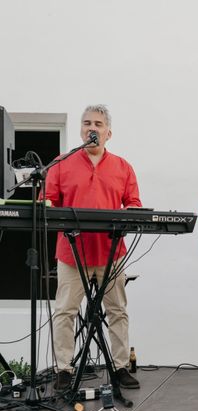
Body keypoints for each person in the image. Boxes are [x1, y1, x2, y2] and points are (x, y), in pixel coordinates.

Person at [45, 104, 142, 391]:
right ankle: (63, 368)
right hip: (72, 253)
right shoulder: (61, 163)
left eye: (98, 124)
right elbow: (48, 201)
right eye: (87, 123)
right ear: (80, 130)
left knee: (117, 311)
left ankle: (121, 366)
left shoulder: (123, 167)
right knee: (65, 311)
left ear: (108, 133)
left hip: (111, 254)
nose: (92, 128)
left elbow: (134, 204)